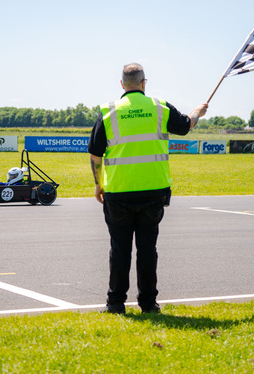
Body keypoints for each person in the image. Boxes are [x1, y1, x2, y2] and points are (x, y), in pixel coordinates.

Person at [88, 63, 208, 314]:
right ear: (144, 83)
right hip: (153, 191)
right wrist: (197, 111)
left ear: (122, 84)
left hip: (118, 192)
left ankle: (116, 303)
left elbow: (95, 156)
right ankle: (148, 303)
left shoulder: (108, 112)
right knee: (147, 249)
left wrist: (98, 185)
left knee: (119, 249)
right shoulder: (160, 107)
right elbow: (187, 125)